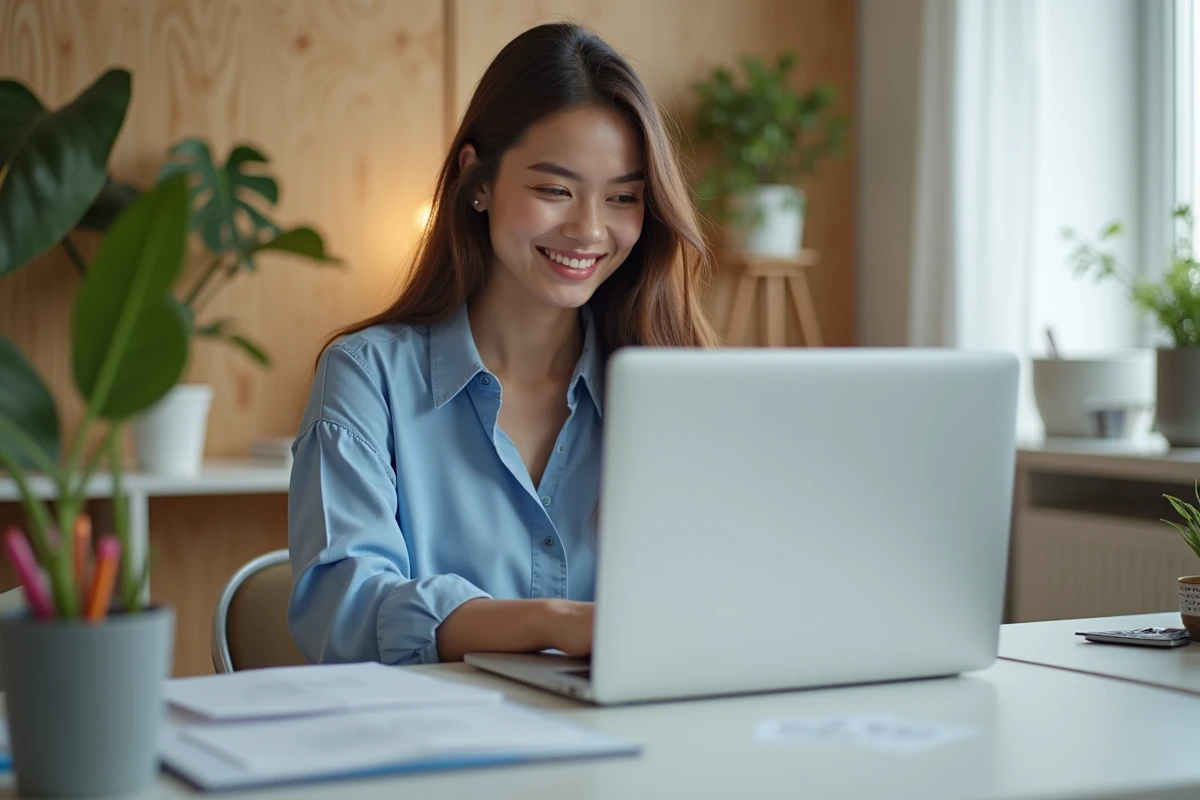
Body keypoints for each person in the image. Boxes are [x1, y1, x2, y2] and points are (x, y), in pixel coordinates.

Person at [287, 22, 719, 666]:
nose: (589, 230)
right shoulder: (367, 376)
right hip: (428, 729)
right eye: (554, 190)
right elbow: (343, 611)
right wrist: (554, 622)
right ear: (478, 180)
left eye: (623, 197)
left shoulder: (674, 386)